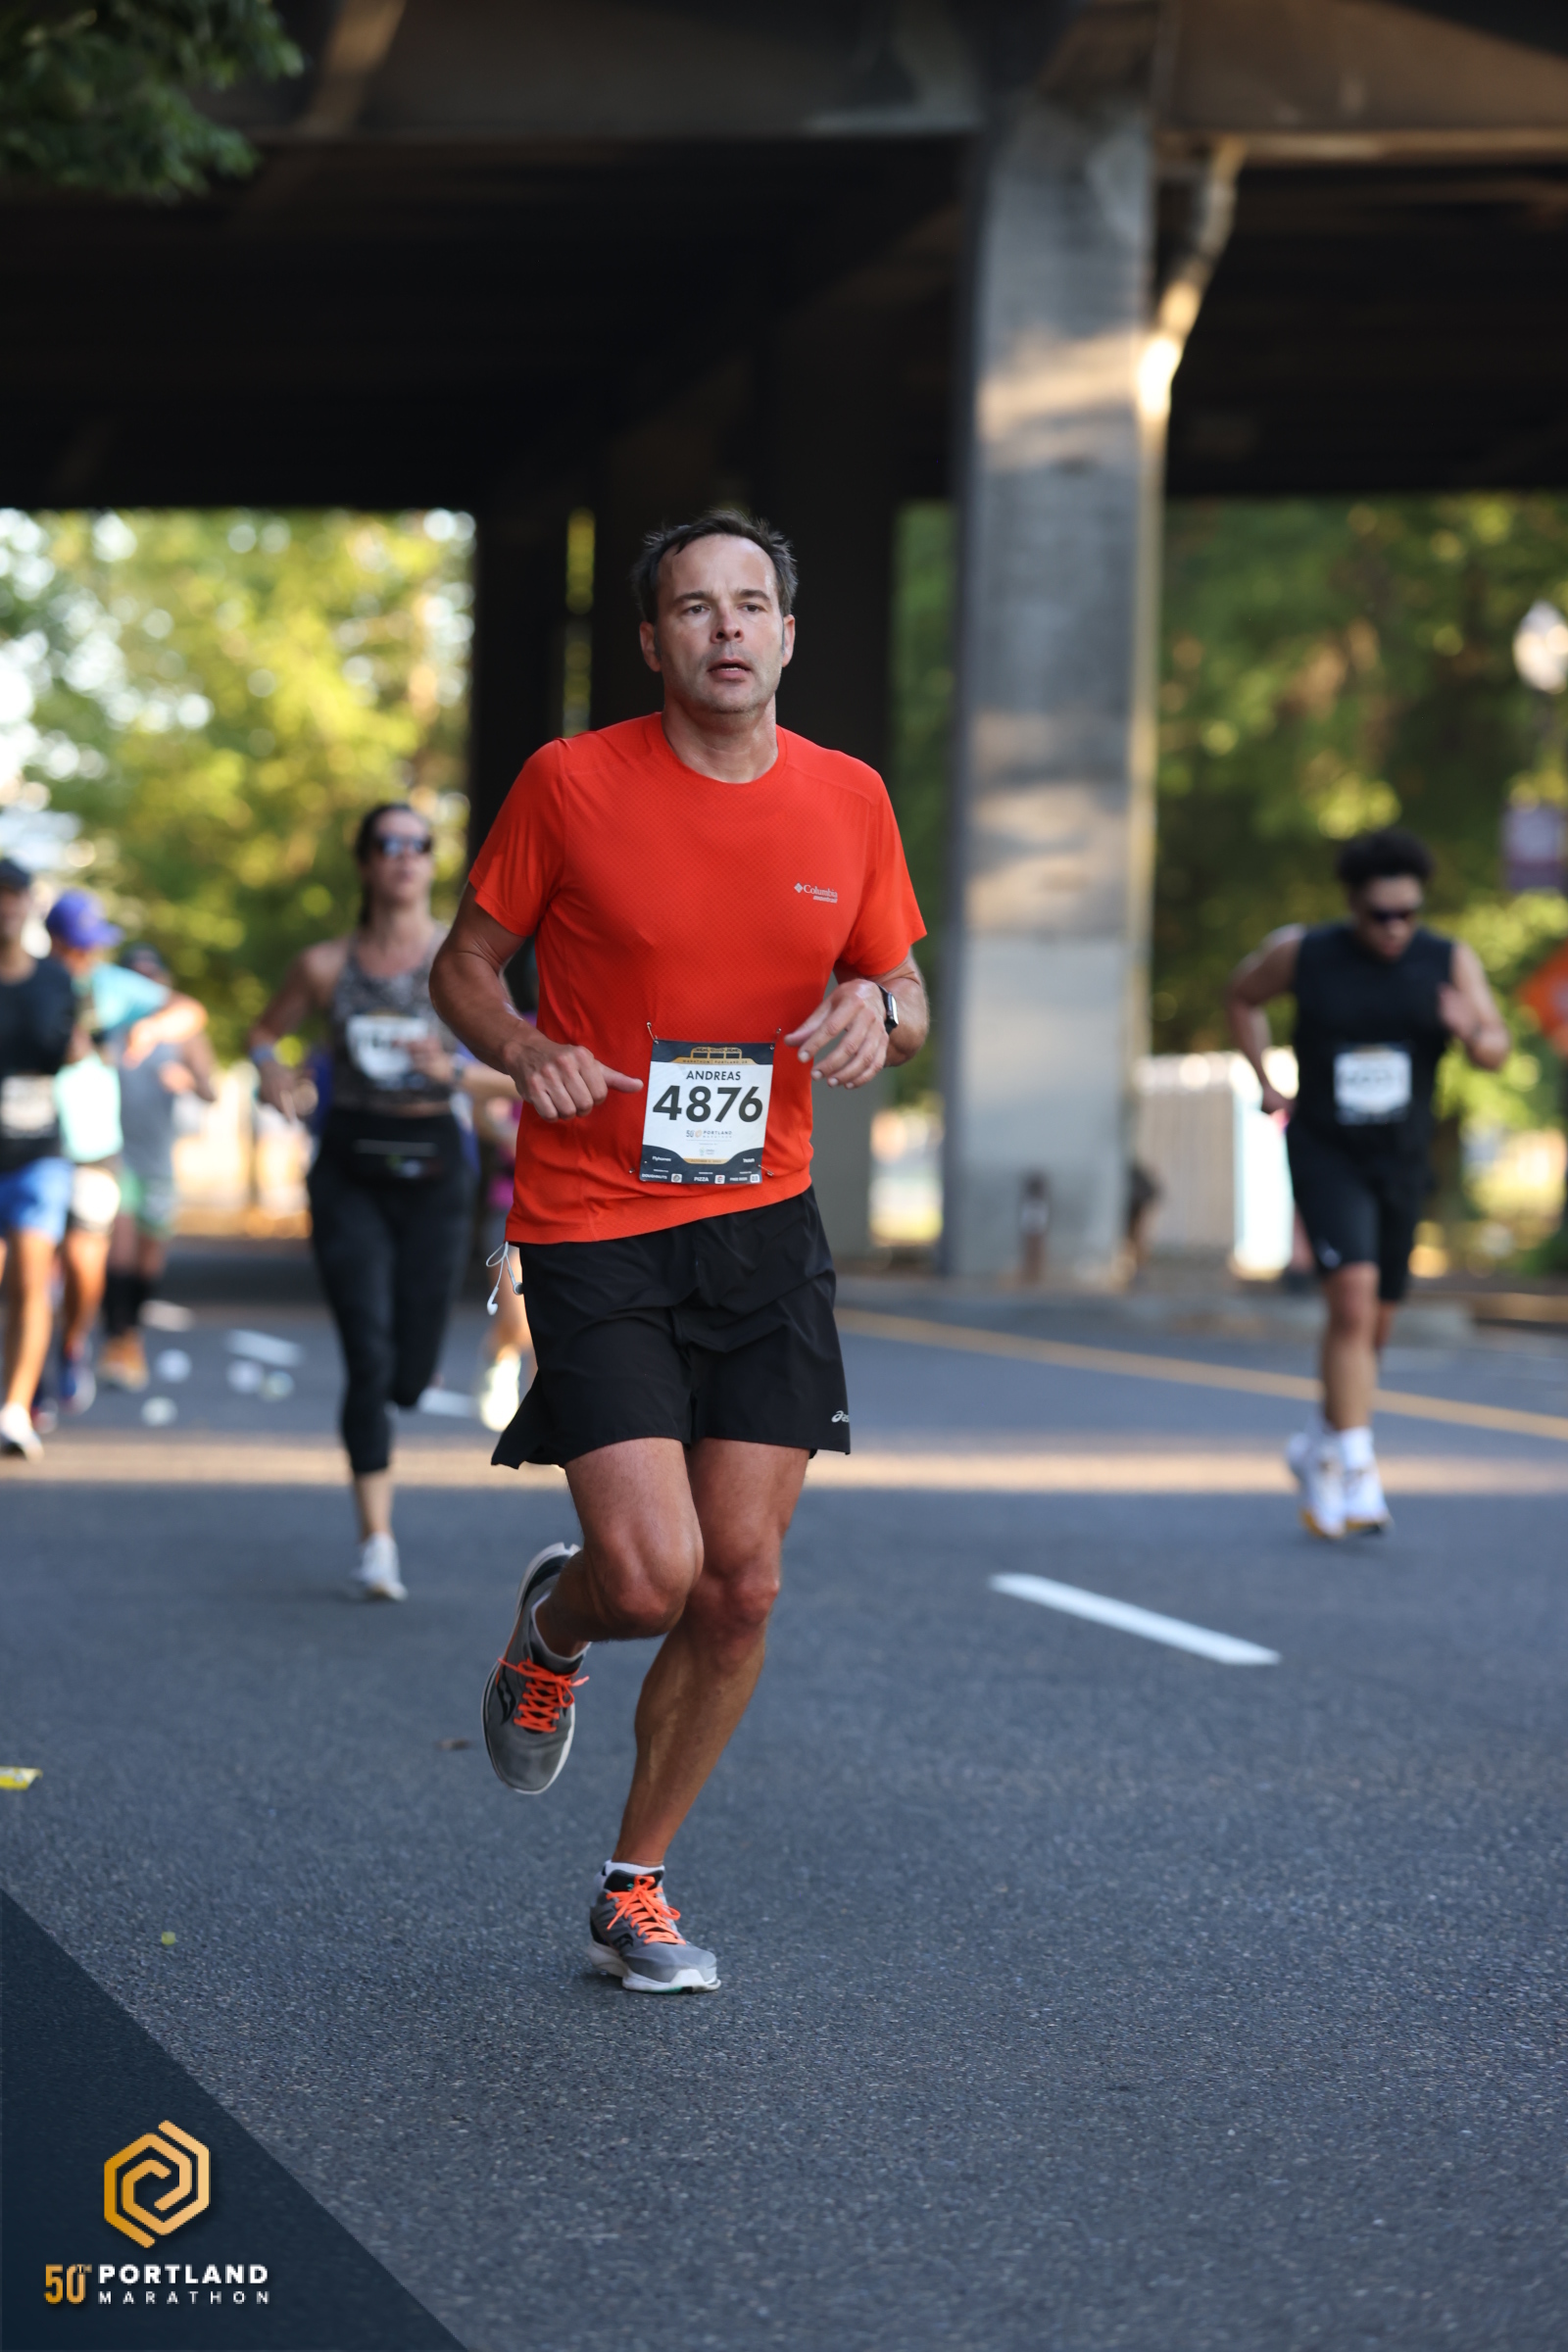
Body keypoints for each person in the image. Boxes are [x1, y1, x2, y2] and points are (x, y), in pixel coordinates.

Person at [429, 510, 928, 1993]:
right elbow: (466, 966)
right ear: (652, 642)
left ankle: (632, 1886)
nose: (727, 629)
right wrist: (523, 1045)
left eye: (751, 604)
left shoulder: (848, 798)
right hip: (594, 1220)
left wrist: (880, 1013)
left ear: (788, 636)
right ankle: (555, 1620)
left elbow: (903, 987)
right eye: (695, 607)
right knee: (650, 1579)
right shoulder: (570, 784)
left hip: (764, 1225)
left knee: (741, 1586)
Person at [1225, 827, 1508, 1539]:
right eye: (1381, 915)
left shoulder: (1447, 960)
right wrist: (1266, 1082)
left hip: (1401, 1160)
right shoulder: (1305, 953)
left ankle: (1318, 1446)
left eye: (1408, 914)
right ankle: (1357, 1468)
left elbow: (1497, 1049)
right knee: (1350, 1298)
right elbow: (1242, 997)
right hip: (1327, 1150)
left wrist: (1470, 1029)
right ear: (1354, 905)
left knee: (1373, 1324)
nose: (1395, 928)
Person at [248, 803, 475, 1602]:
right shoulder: (323, 964)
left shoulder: (462, 958)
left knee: (408, 1376)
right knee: (368, 1355)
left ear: (432, 861)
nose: (405, 856)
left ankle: (407, 1388)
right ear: (365, 862)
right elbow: (261, 1033)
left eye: (420, 844)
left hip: (436, 1169)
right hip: (350, 1166)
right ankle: (376, 1543)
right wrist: (271, 1070)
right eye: (389, 844)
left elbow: (521, 1065)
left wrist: (454, 1071)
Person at [43, 889, 208, 1405]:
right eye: (77, 945)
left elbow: (189, 1013)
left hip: (98, 1147)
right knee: (30, 1264)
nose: (85, 955)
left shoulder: (112, 989)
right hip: (32, 1146)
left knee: (85, 1261)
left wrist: (152, 1028)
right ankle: (29, 1381)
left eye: (92, 945)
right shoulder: (28, 981)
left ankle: (78, 1343)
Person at [103, 944, 219, 1381]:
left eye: (153, 977)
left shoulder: (182, 1032)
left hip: (159, 1158)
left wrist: (186, 1080)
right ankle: (116, 1338)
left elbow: (210, 1090)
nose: (146, 985)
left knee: (149, 1258)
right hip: (115, 1153)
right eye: (137, 977)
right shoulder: (108, 1024)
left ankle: (131, 1334)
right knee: (119, 1248)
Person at [0, 858, 79, 1458]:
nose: (6, 907)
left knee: (31, 1278)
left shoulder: (55, 979)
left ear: (29, 905)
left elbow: (74, 1046)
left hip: (39, 1151)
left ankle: (15, 1408)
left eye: (14, 896)